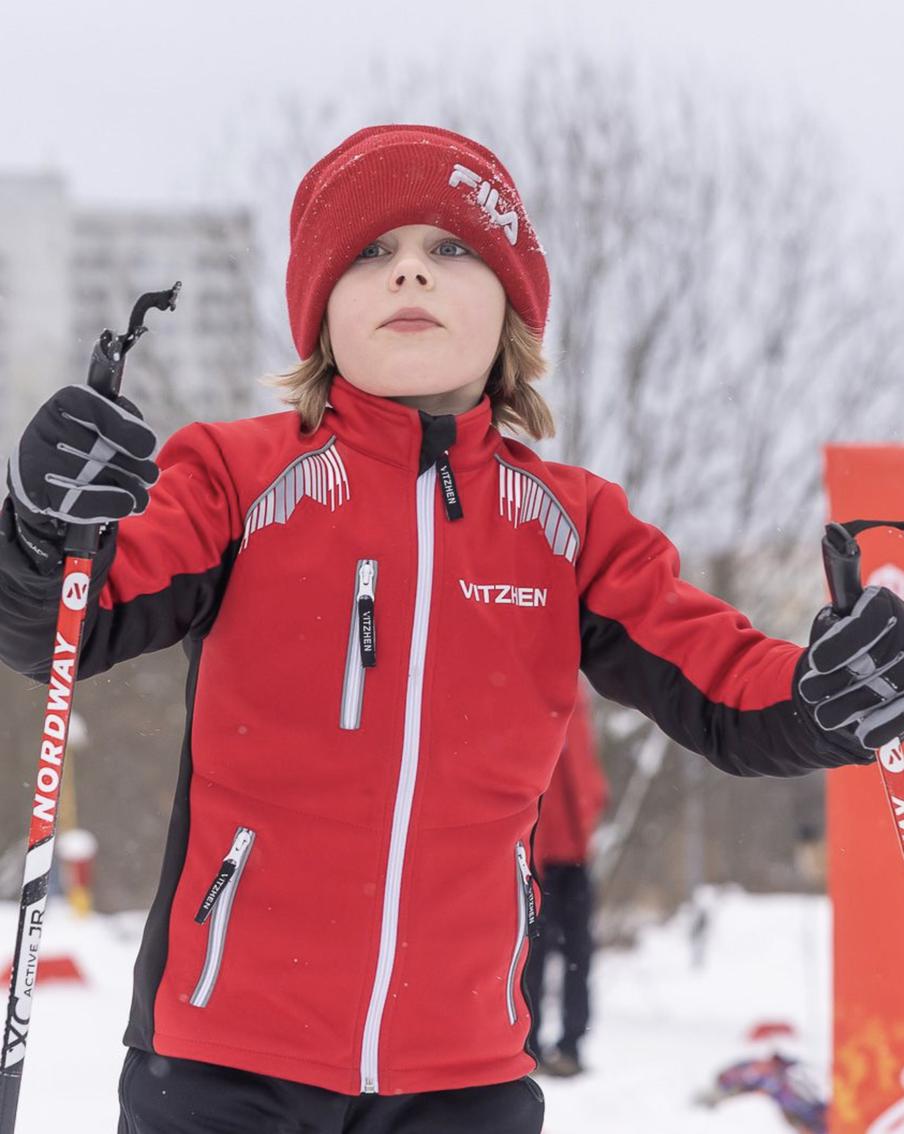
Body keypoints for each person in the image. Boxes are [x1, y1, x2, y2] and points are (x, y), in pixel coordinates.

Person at [0, 122, 894, 1134]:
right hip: (220, 1062)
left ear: (510, 309)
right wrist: (44, 532)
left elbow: (727, 687)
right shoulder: (239, 477)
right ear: (322, 312)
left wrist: (825, 696)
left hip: (462, 1075)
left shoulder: (571, 525)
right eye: (372, 254)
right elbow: (70, 625)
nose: (409, 276)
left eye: (449, 249)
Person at [526, 677, 607, 1078]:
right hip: (534, 856)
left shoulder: (575, 696)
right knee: (531, 958)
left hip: (573, 855)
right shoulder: (526, 694)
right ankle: (531, 1044)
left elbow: (585, 769)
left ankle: (571, 1046)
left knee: (578, 956)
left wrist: (589, 818)